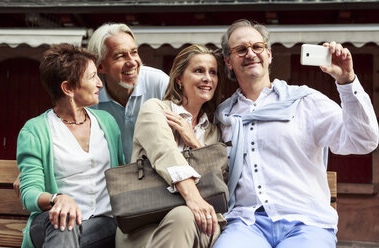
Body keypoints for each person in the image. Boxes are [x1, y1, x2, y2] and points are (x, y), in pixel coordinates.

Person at [213, 19, 379, 248]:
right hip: (247, 223)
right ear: (229, 62)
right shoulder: (223, 116)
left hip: (307, 222)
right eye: (241, 50)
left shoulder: (304, 101)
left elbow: (364, 140)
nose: (250, 53)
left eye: (257, 47)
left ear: (269, 54)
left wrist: (346, 80)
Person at [116, 44, 225, 248]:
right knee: (184, 215)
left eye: (213, 72)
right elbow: (164, 153)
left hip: (201, 224)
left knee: (197, 221)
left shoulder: (213, 132)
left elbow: (218, 181)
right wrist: (194, 199)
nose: (208, 78)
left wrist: (194, 142)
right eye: (198, 71)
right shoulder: (155, 109)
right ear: (179, 78)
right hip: (146, 224)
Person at [17, 44, 124, 248]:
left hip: (104, 224)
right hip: (51, 223)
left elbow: (122, 172)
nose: (99, 84)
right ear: (68, 88)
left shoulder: (107, 123)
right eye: (92, 77)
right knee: (64, 221)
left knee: (70, 230)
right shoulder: (35, 130)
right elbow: (29, 194)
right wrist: (58, 199)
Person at [87, 23, 169, 163]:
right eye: (120, 56)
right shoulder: (90, 96)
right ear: (100, 66)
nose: (132, 62)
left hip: (158, 174)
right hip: (114, 178)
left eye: (134, 52)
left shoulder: (159, 82)